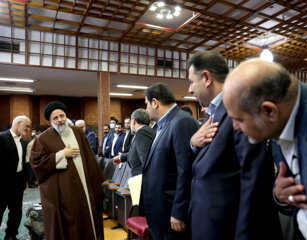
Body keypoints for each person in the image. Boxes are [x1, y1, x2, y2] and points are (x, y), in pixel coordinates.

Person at [223, 58, 307, 240]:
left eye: (239, 119)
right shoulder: (283, 122)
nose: (235, 127)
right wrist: (280, 195)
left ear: (269, 111)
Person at [187, 50, 282, 240]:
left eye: (191, 81)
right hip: (209, 222)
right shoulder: (215, 114)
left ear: (206, 78)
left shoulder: (240, 108)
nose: (190, 89)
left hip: (228, 228)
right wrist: (192, 143)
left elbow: (254, 180)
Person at [30, 101, 105, 240]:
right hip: (65, 191)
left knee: (90, 215)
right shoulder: (43, 139)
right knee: (72, 220)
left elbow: (89, 156)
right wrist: (61, 154)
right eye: (55, 118)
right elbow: (36, 162)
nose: (60, 120)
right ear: (50, 121)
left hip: (85, 183)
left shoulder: (77, 132)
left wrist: (96, 182)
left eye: (62, 116)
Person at [142, 82, 199, 240]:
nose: (146, 109)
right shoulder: (162, 125)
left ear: (155, 102)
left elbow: (186, 170)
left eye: (147, 104)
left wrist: (179, 211)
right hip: (160, 213)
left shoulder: (181, 122)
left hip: (171, 214)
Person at [0, 115, 31, 240]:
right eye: (27, 126)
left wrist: (25, 182)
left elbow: (22, 164)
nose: (28, 129)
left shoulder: (23, 142)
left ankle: (11, 235)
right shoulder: (1, 137)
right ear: (18, 123)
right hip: (2, 183)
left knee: (16, 212)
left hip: (17, 183)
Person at [112, 109, 155, 176]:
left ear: (133, 121)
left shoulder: (142, 132)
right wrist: (121, 157)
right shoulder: (144, 131)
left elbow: (146, 159)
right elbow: (136, 152)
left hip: (141, 177)